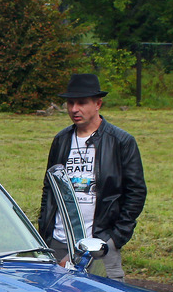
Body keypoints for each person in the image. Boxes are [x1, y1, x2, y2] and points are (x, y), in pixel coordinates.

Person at [37, 73, 147, 280]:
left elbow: (136, 193)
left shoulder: (121, 141)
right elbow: (49, 188)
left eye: (81, 103)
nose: (74, 109)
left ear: (98, 104)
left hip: (100, 244)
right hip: (59, 242)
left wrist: (114, 238)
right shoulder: (61, 140)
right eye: (70, 103)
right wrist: (45, 230)